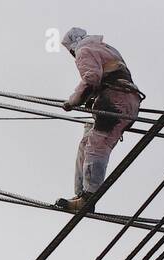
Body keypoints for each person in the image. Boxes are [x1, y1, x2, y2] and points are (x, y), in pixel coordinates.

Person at [56, 27, 144, 212]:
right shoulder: (106, 48)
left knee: (97, 145)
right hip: (129, 101)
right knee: (87, 142)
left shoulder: (84, 50)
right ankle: (81, 194)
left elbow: (92, 78)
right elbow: (110, 76)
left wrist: (73, 101)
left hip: (115, 101)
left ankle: (88, 198)